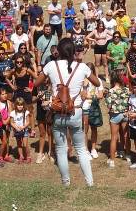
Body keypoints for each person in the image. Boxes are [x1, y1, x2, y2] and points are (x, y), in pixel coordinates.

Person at [35, 37, 101, 187]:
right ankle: (89, 182)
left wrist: (49, 80)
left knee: (61, 149)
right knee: (81, 149)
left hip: (57, 112)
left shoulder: (51, 65)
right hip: (75, 111)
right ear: (73, 51)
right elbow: (97, 82)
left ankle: (66, 182)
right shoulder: (82, 67)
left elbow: (36, 83)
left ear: (58, 50)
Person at [105, 70, 130, 167]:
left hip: (115, 115)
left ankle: (112, 160)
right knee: (125, 136)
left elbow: (109, 106)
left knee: (114, 138)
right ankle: (126, 154)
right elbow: (129, 103)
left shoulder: (111, 91)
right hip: (125, 114)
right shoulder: (126, 90)